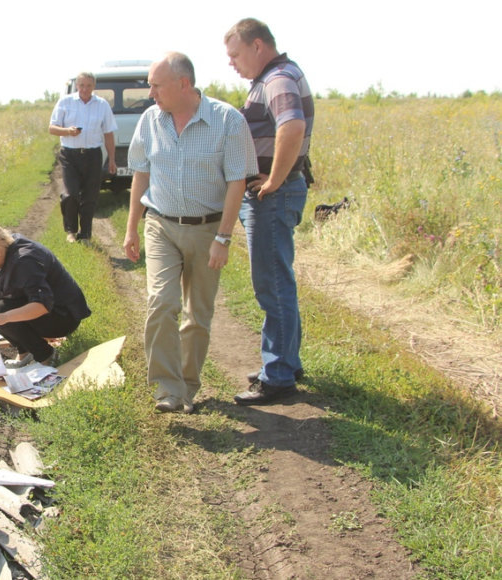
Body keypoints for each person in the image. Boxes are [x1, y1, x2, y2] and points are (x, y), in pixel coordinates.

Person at [121, 53, 256, 414]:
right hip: (161, 225)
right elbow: (141, 175)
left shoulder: (227, 120)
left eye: (156, 85)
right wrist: (132, 227)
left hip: (207, 229)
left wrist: (223, 238)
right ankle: (166, 388)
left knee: (198, 314)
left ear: (184, 84)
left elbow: (236, 181)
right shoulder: (150, 120)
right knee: (162, 303)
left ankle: (187, 387)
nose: (150, 93)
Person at [224, 18, 315, 405]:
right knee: (279, 281)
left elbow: (291, 127)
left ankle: (277, 376)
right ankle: (285, 362)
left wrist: (274, 180)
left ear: (257, 46)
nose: (232, 63)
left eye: (235, 54)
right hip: (273, 193)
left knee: (272, 284)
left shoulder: (277, 78)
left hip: (272, 196)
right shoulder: (274, 76)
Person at [0, 219, 91, 367]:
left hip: (62, 316)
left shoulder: (24, 260)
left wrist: (5, 317)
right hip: (38, 305)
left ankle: (46, 355)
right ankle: (25, 350)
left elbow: (43, 304)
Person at [49, 72, 118, 243]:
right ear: (76, 86)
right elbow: (52, 128)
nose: (85, 89)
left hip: (93, 155)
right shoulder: (65, 102)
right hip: (70, 155)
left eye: (88, 86)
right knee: (71, 194)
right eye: (81, 85)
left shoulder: (102, 105)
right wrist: (68, 131)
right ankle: (71, 231)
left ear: (94, 86)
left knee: (90, 196)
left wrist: (112, 159)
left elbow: (109, 134)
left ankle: (85, 234)